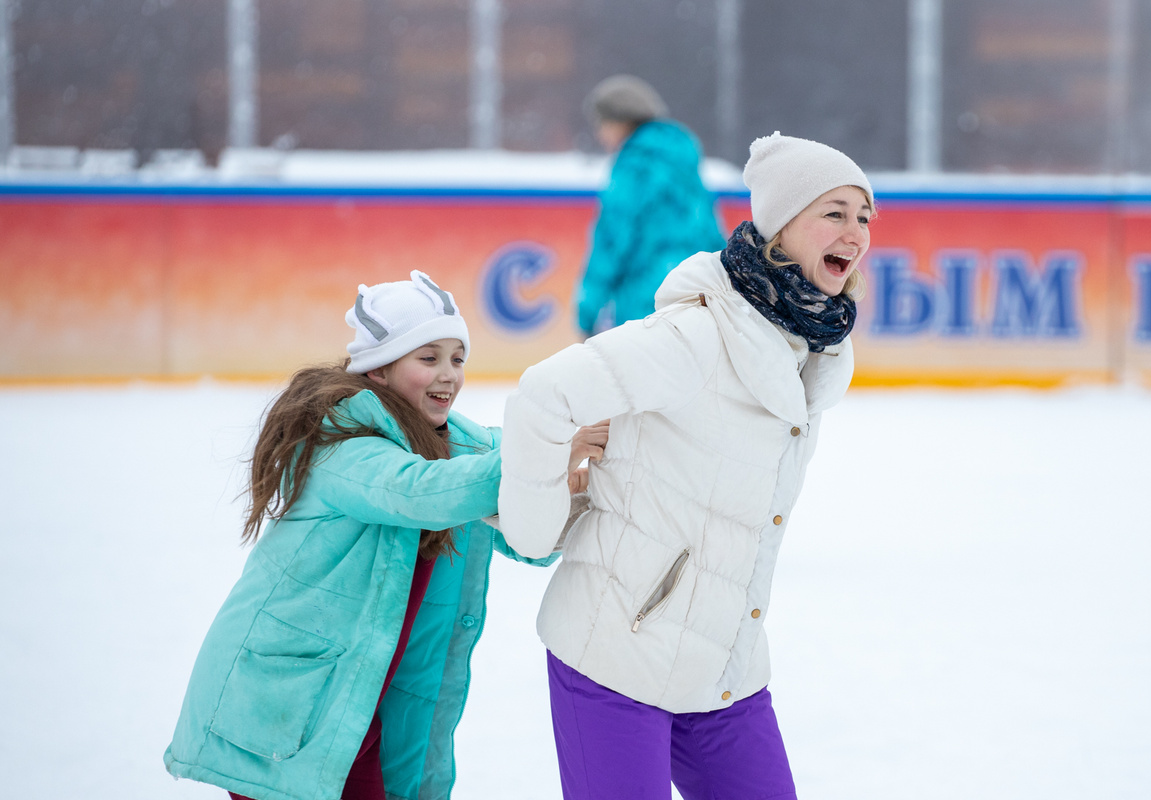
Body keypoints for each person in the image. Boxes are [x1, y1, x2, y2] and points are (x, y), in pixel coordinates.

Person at [498, 133, 874, 799]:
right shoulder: (696, 336)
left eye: (865, 216)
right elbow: (543, 397)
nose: (856, 231)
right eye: (834, 212)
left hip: (723, 672)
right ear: (781, 224)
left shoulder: (808, 351)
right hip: (613, 656)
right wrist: (532, 531)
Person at [163, 271, 605, 800]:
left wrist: (577, 491)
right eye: (428, 357)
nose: (449, 374)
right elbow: (419, 493)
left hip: (363, 710)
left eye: (457, 357)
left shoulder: (458, 447)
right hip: (293, 707)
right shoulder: (342, 442)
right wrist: (552, 452)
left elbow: (527, 533)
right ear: (378, 368)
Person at [575, 74, 726, 337]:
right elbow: (711, 234)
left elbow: (612, 240)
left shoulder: (634, 165)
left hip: (646, 304)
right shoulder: (684, 161)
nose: (600, 135)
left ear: (621, 122)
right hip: (697, 302)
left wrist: (587, 312)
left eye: (602, 124)